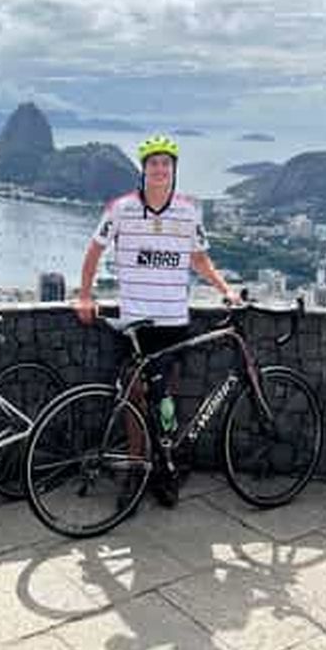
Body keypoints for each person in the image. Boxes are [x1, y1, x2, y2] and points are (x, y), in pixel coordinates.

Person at [75, 134, 234, 506]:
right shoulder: (120, 208)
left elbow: (198, 259)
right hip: (136, 322)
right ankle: (134, 469)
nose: (160, 170)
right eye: (153, 164)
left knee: (166, 401)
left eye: (166, 164)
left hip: (173, 321)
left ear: (173, 171)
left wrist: (225, 288)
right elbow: (94, 250)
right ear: (143, 169)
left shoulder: (189, 211)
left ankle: (165, 471)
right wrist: (84, 294)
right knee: (132, 397)